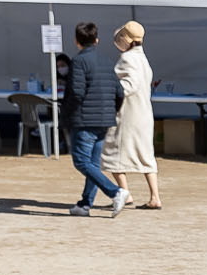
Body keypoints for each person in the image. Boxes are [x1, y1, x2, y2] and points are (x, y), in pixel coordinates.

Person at [64, 22, 124, 215]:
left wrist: (67, 114)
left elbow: (76, 93)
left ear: (76, 41)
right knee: (92, 163)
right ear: (96, 40)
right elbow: (120, 92)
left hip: (84, 120)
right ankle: (85, 203)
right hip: (104, 119)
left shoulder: (79, 62)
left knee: (81, 162)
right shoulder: (107, 60)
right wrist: (112, 111)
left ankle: (115, 192)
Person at [104, 21, 162, 210]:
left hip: (128, 115)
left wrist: (111, 89)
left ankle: (125, 192)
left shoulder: (127, 58)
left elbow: (129, 85)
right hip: (144, 113)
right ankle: (154, 196)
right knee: (146, 155)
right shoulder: (143, 59)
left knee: (112, 153)